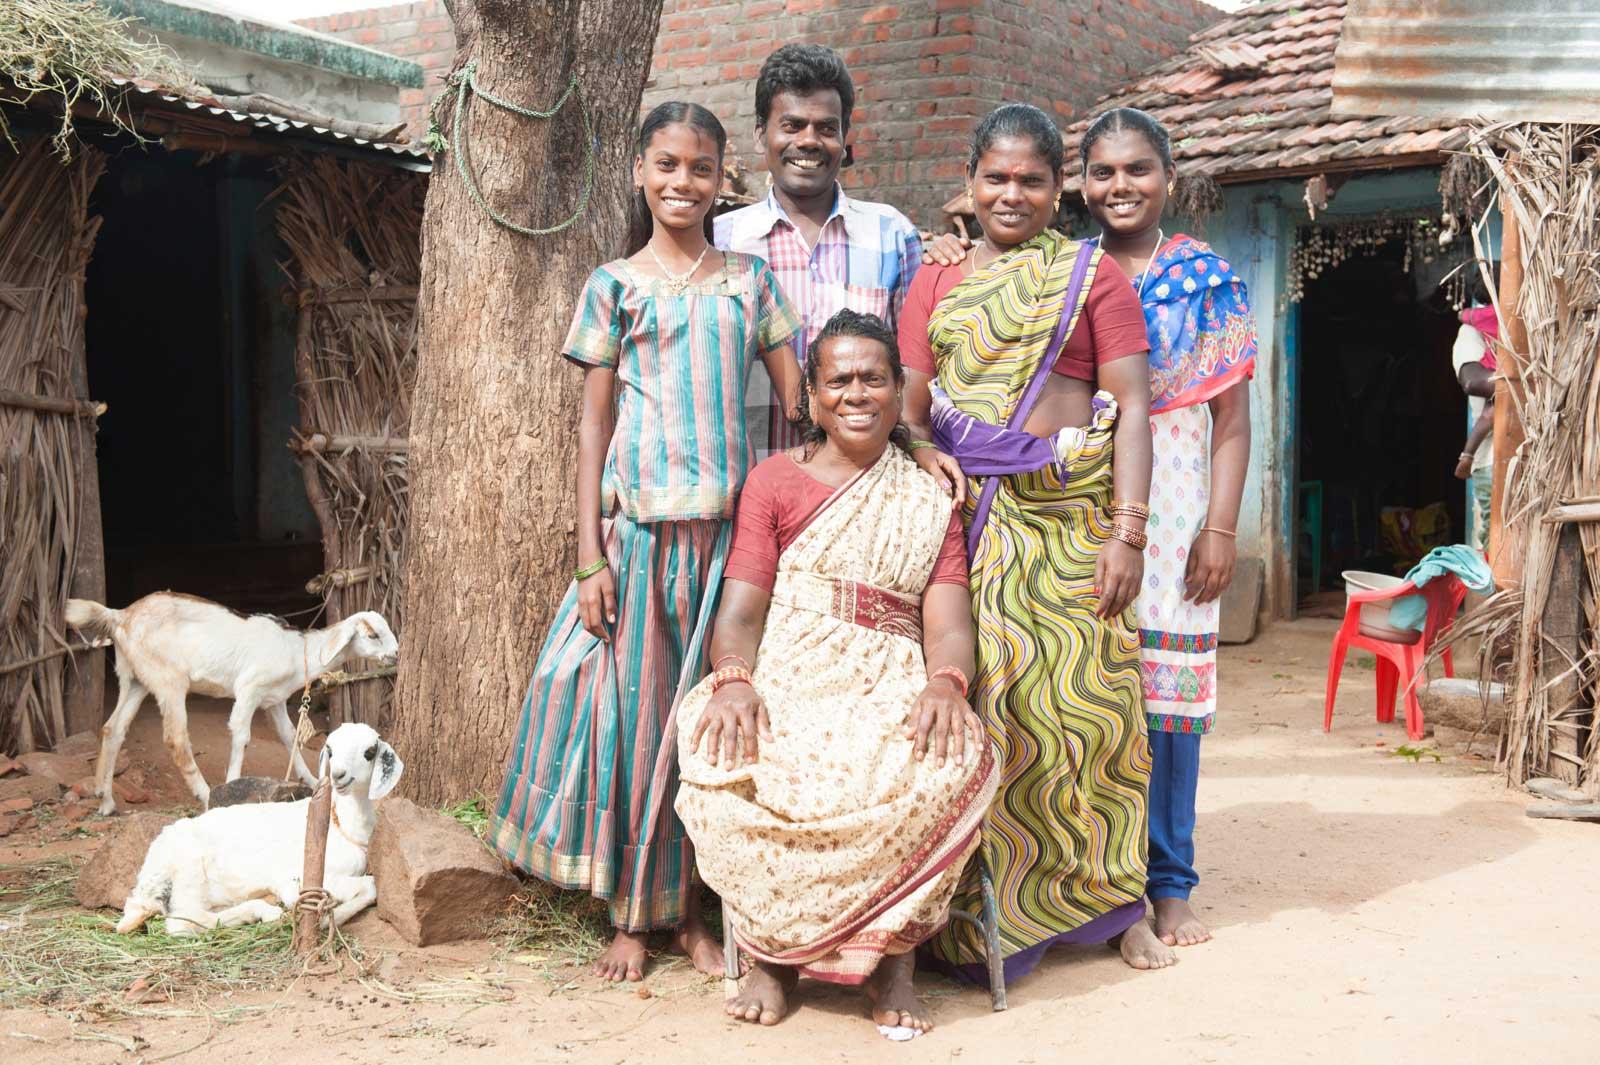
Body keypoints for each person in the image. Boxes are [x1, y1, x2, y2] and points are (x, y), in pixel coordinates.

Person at [489, 102, 806, 984]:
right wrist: (588, 553)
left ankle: (696, 916)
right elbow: (592, 430)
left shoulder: (749, 282)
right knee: (633, 729)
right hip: (637, 543)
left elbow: (799, 405)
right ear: (639, 171)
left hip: (728, 551)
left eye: (701, 168)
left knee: (705, 726)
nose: (682, 182)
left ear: (721, 179)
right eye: (666, 165)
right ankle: (632, 910)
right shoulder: (613, 285)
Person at [899, 102, 1173, 978]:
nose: (1011, 194)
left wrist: (1129, 533)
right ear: (970, 184)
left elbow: (1132, 410)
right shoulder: (933, 281)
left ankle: (1113, 903)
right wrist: (931, 460)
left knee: (1093, 719)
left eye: (1031, 180)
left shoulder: (1094, 278)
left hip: (1074, 525)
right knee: (996, 715)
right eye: (996, 178)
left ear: (1061, 191)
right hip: (971, 525)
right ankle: (987, 922)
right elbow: (911, 408)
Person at [675, 310, 998, 1033]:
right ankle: (771, 955)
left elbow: (947, 623)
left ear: (898, 388)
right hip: (791, 665)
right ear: (813, 398)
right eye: (839, 380)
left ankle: (895, 963)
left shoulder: (926, 495)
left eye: (873, 378)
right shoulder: (775, 482)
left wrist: (947, 683)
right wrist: (733, 677)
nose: (857, 393)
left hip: (890, 674)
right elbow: (742, 611)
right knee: (734, 761)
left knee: (945, 759)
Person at [1079, 107, 1257, 948]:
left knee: (1170, 702)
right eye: (1105, 171)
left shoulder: (1205, 276)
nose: (1121, 186)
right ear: (1083, 181)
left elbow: (1232, 418)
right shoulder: (1065, 268)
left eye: (1138, 170)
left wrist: (1219, 529)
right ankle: (1092, 883)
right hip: (1078, 497)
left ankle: (1171, 881)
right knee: (1087, 693)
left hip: (1180, 497)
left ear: (1169, 178)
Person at [715, 44, 932, 468]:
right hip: (748, 487)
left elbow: (915, 371)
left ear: (845, 135)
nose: (809, 141)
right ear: (761, 133)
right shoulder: (723, 241)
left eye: (826, 128)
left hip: (861, 486)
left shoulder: (891, 235)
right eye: (792, 125)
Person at [1451, 297, 1499, 551]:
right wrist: (1527, 381)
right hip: (1493, 459)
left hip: (1540, 456)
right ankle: (1467, 455)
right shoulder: (1473, 331)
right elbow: (1473, 382)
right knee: (1497, 545)